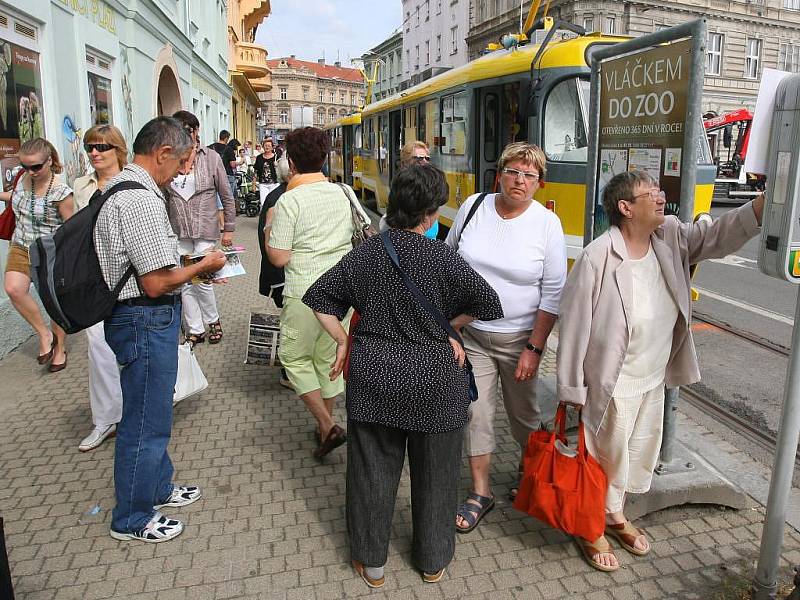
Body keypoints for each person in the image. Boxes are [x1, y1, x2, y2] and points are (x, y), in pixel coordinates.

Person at [303, 164, 503, 587]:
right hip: (436, 379)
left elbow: (319, 298)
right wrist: (451, 327)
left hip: (376, 375)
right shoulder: (443, 256)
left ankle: (371, 562)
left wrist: (342, 341)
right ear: (431, 213)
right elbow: (489, 301)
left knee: (371, 471)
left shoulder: (366, 253)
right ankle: (432, 561)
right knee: (437, 474)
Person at [557, 170, 765, 571]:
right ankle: (590, 526)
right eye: (649, 192)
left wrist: (762, 204)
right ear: (625, 207)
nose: (659, 196)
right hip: (613, 380)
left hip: (653, 374)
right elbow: (575, 324)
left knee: (637, 454)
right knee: (605, 458)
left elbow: (721, 235)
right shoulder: (598, 255)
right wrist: (571, 390)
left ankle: (615, 515)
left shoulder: (670, 236)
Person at [94, 116, 227, 542]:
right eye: (183, 162)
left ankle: (157, 486)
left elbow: (155, 267)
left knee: (154, 415)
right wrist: (202, 266)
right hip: (142, 319)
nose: (185, 171)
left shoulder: (135, 191)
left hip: (143, 318)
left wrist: (190, 271)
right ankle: (130, 518)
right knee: (144, 423)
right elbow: (154, 281)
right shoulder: (139, 200)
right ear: (163, 153)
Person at [445, 142, 566, 534]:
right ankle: (481, 492)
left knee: (524, 418)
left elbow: (553, 292)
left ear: (539, 183)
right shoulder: (474, 207)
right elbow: (447, 261)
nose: (521, 180)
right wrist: (450, 325)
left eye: (530, 175)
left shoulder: (547, 224)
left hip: (519, 342)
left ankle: (529, 475)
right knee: (475, 414)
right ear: (500, 173)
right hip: (474, 336)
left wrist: (535, 347)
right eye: (514, 171)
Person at [266, 126, 356, 459]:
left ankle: (327, 423)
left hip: (305, 290)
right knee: (328, 357)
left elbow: (278, 256)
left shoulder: (289, 201)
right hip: (340, 290)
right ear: (325, 157)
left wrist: (267, 228)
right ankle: (324, 430)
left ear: (290, 161)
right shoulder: (343, 192)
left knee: (294, 357)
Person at [71, 125, 128, 451]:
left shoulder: (131, 184)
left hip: (127, 275)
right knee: (98, 346)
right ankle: (105, 418)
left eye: (102, 147)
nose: (94, 152)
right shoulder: (81, 186)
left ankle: (139, 410)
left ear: (117, 150)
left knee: (132, 343)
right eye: (90, 147)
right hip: (93, 277)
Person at [1, 138, 73, 373]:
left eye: (36, 167)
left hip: (48, 249)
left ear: (49, 161)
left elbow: (70, 226)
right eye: (25, 166)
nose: (30, 172)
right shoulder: (23, 180)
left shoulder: (60, 191)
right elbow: (20, 200)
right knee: (13, 289)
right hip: (21, 245)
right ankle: (44, 334)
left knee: (53, 301)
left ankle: (59, 348)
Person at [166, 110, 236, 346]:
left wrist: (229, 229)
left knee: (202, 279)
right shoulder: (169, 159)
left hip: (206, 228)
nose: (183, 135)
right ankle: (195, 328)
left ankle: (213, 320)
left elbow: (227, 196)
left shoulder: (211, 158)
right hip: (178, 230)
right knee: (184, 281)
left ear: (196, 131)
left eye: (188, 130)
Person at [258, 156, 293, 390]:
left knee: (290, 323)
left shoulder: (282, 194)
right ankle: (288, 372)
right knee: (290, 325)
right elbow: (269, 242)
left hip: (281, 274)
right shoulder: (280, 198)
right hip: (282, 275)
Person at [254, 138, 278, 205]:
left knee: (273, 203)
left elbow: (281, 170)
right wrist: (254, 182)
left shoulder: (276, 157)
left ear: (272, 147)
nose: (267, 147)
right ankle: (264, 215)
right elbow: (256, 170)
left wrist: (277, 165)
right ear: (263, 147)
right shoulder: (259, 157)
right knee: (263, 203)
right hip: (263, 184)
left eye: (269, 146)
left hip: (274, 183)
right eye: (265, 145)